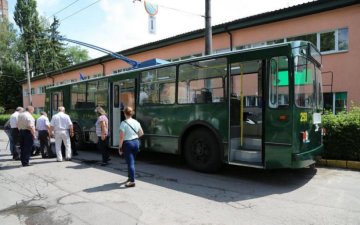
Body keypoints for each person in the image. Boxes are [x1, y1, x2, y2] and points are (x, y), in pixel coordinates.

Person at [118, 106, 144, 188]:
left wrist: (120, 147)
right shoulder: (136, 122)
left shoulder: (123, 123)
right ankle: (129, 178)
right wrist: (134, 137)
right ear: (131, 113)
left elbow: (121, 137)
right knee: (131, 162)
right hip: (136, 142)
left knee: (130, 163)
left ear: (124, 113)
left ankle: (132, 181)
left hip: (128, 144)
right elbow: (141, 133)